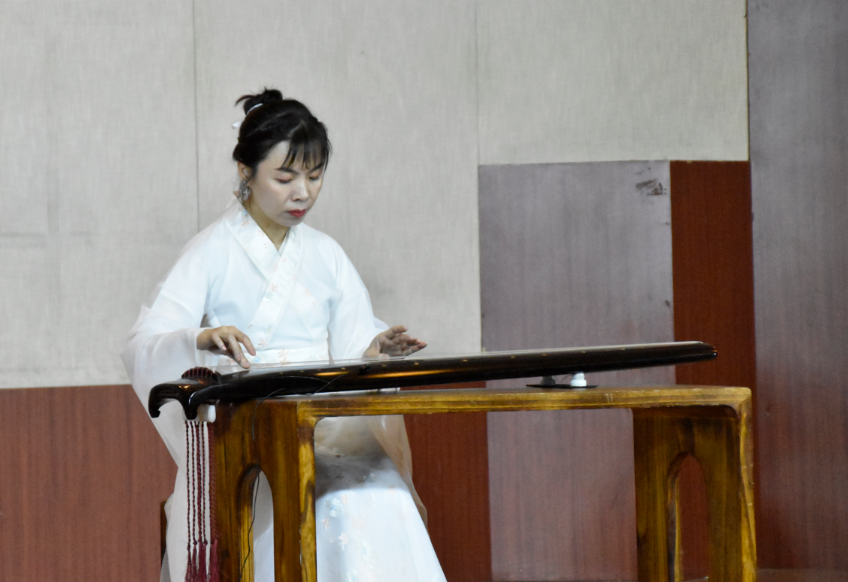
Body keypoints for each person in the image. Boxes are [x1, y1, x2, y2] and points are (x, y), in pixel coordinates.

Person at [122, 88, 447, 582]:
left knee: (376, 491)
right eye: (285, 177)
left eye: (315, 177)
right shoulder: (211, 251)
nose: (303, 193)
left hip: (326, 428)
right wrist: (201, 339)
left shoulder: (326, 254)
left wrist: (373, 351)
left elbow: (353, 344)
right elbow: (145, 342)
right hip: (244, 434)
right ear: (245, 171)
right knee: (303, 495)